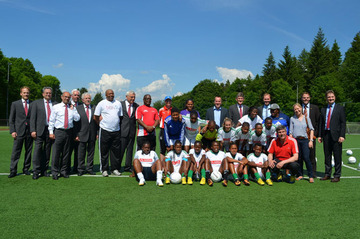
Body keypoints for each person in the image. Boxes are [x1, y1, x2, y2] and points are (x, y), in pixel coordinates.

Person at [49, 92, 80, 180]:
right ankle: (55, 172)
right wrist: (51, 132)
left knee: (66, 153)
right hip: (58, 131)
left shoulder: (72, 108)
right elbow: (51, 120)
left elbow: (77, 118)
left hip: (69, 132)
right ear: (62, 97)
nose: (67, 98)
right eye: (65, 97)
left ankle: (63, 171)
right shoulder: (56, 107)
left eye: (68, 97)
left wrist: (73, 110)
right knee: (56, 153)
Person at [318, 90, 346, 183]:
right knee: (327, 155)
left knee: (337, 156)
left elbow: (343, 123)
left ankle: (337, 175)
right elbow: (321, 123)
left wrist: (342, 135)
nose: (330, 98)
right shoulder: (323, 109)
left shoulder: (340, 108)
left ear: (335, 97)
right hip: (326, 134)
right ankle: (327, 174)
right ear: (326, 99)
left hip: (336, 135)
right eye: (329, 97)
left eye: (332, 97)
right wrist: (320, 135)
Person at [94, 89, 123, 177]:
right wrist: (100, 125)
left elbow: (120, 117)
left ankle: (114, 169)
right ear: (106, 95)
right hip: (104, 130)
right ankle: (104, 169)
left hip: (116, 131)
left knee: (116, 152)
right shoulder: (101, 103)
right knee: (104, 151)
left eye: (112, 93)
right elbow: (95, 116)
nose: (111, 95)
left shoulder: (118, 103)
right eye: (109, 94)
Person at [30, 87, 55, 179]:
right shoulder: (36, 103)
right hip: (39, 130)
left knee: (47, 150)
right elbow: (32, 118)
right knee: (37, 150)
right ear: (43, 94)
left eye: (50, 93)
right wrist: (32, 130)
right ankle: (36, 171)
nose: (48, 94)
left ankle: (44, 170)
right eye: (46, 93)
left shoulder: (55, 104)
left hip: (50, 130)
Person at [8, 86, 33, 178]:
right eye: (24, 92)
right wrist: (13, 131)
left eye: (27, 92)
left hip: (29, 132)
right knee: (16, 152)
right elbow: (11, 119)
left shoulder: (32, 103)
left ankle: (26, 169)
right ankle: (13, 170)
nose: (26, 94)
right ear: (21, 93)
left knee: (28, 151)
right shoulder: (15, 104)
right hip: (18, 132)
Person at [74, 93, 98, 176]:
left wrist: (97, 133)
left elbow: (97, 122)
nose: (88, 99)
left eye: (89, 98)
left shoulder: (94, 108)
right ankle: (80, 169)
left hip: (92, 133)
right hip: (81, 134)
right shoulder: (77, 108)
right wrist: (76, 134)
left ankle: (89, 168)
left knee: (91, 152)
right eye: (86, 98)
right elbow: (75, 123)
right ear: (83, 100)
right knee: (81, 153)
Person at [289, 103, 315, 183]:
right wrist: (291, 142)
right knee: (298, 158)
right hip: (296, 141)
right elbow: (291, 132)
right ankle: (300, 174)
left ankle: (310, 175)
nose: (297, 110)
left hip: (305, 140)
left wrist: (311, 140)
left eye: (298, 108)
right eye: (295, 109)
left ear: (301, 108)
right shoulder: (292, 118)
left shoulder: (306, 118)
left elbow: (311, 129)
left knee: (306, 158)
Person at [301, 92, 320, 178]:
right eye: (304, 97)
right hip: (301, 135)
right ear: (301, 98)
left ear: (310, 98)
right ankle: (300, 172)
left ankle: (312, 173)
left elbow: (318, 122)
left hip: (311, 135)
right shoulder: (298, 108)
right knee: (300, 156)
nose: (306, 99)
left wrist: (315, 134)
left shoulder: (315, 108)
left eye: (307, 97)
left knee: (312, 155)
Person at [119, 90, 139, 173]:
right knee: (120, 150)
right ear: (126, 97)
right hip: (122, 131)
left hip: (132, 131)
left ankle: (127, 167)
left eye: (134, 97)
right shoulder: (120, 104)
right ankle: (117, 166)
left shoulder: (136, 106)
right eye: (131, 97)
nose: (133, 98)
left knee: (130, 150)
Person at [68, 89, 82, 174]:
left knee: (78, 152)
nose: (76, 96)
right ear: (71, 96)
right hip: (69, 132)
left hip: (79, 132)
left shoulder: (81, 105)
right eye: (75, 95)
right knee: (68, 152)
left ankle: (76, 168)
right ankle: (67, 168)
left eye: (77, 95)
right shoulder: (67, 105)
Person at [158, 96, 172, 162]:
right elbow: (159, 119)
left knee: (170, 148)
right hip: (163, 130)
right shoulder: (161, 110)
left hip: (171, 131)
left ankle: (170, 165)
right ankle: (162, 166)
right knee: (162, 149)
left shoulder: (173, 110)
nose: (168, 102)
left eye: (169, 101)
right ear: (165, 101)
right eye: (167, 101)